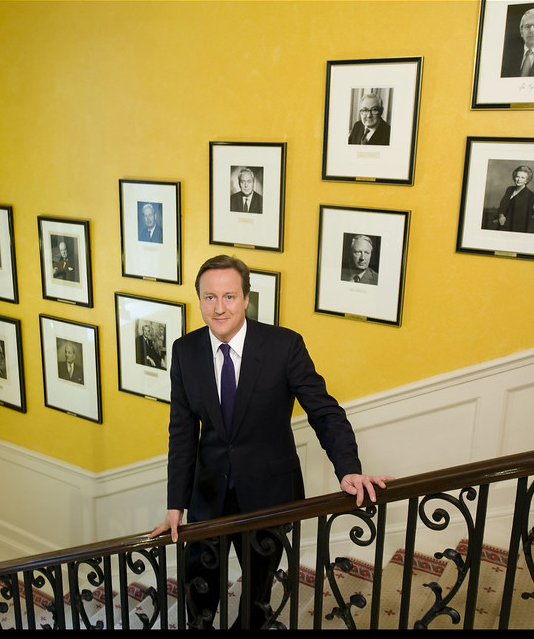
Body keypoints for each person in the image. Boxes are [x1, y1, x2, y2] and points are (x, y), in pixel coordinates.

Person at [149, 254, 392, 630]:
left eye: (229, 296)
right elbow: (182, 432)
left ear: (246, 299)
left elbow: (325, 412)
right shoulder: (185, 351)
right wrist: (175, 504)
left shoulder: (284, 346)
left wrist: (348, 469)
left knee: (257, 596)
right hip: (208, 495)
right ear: (199, 300)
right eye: (210, 297)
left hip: (269, 496)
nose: (219, 308)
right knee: (199, 590)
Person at [491, 165, 534, 234]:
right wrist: (501, 215)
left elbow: (521, 217)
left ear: (526, 180)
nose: (519, 180)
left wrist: (503, 222)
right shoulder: (509, 189)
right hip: (501, 225)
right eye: (517, 176)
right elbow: (502, 206)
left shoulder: (530, 195)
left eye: (522, 178)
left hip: (516, 229)